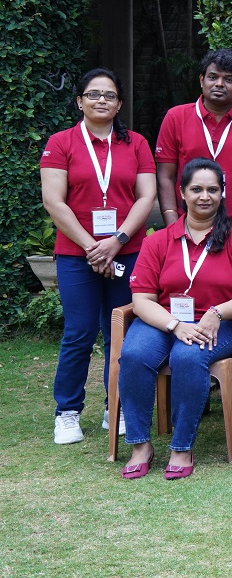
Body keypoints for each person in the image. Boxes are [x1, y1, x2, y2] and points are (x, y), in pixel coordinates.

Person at [117, 158, 232, 480]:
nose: (204, 196)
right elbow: (141, 300)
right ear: (182, 193)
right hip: (164, 321)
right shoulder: (157, 241)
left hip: (218, 322)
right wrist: (174, 325)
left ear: (222, 193)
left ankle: (181, 447)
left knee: (187, 357)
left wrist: (216, 312)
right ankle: (140, 446)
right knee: (133, 354)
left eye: (212, 189)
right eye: (196, 189)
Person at [41, 69, 157, 443]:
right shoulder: (61, 142)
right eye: (93, 94)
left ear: (120, 103)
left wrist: (116, 241)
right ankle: (68, 411)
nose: (101, 100)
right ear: (80, 101)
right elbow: (53, 201)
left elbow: (146, 197)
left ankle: (116, 407)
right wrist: (94, 246)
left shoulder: (136, 143)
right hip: (77, 254)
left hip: (128, 250)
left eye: (109, 95)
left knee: (120, 333)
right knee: (79, 332)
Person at [154, 49, 232, 233]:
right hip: (188, 225)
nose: (219, 84)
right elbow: (165, 176)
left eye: (229, 79)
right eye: (212, 77)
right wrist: (173, 226)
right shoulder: (176, 117)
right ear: (201, 80)